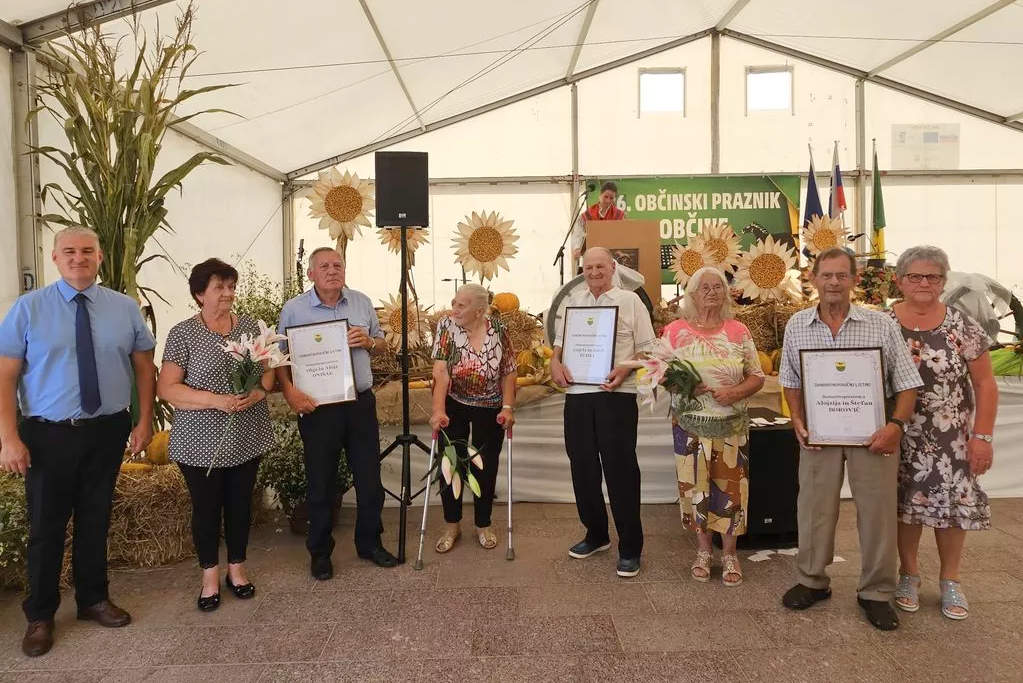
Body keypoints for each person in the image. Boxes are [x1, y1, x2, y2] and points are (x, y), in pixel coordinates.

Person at [0, 225, 156, 657]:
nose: (78, 258)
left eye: (87, 251)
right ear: (54, 258)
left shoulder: (124, 308)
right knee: (46, 527)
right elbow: (5, 375)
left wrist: (143, 422)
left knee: (95, 519)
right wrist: (8, 437)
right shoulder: (28, 309)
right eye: (68, 251)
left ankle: (92, 599)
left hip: (107, 431)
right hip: (47, 435)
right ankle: (40, 615)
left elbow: (144, 368)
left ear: (100, 257)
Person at [779, 247, 922, 631]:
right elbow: (790, 380)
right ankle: (812, 581)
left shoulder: (881, 325)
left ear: (855, 281)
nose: (834, 283)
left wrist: (895, 426)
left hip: (873, 434)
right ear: (813, 279)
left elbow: (908, 383)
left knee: (876, 513)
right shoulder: (797, 325)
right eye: (827, 276)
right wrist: (798, 418)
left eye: (842, 276)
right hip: (819, 436)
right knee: (813, 509)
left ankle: (876, 592)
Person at [886, 246, 997, 620]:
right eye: (915, 276)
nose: (923, 283)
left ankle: (951, 580)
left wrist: (982, 436)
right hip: (898, 434)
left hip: (952, 438)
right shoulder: (883, 323)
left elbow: (985, 384)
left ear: (943, 282)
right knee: (905, 508)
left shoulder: (962, 325)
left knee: (952, 509)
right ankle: (908, 575)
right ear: (899, 280)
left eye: (932, 277)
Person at [156, 258, 274, 612]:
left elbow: (267, 375)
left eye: (231, 286)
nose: (227, 293)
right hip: (199, 441)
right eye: (219, 287)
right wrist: (215, 401)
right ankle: (209, 576)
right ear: (199, 294)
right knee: (206, 509)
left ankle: (236, 569)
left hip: (246, 435)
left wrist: (257, 393)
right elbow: (167, 388)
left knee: (240, 505)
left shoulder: (250, 327)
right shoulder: (183, 333)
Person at [276, 247, 397, 579]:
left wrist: (371, 343)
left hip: (359, 402)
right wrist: (289, 392)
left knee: (369, 479)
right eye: (324, 266)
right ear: (311, 274)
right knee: (320, 482)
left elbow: (383, 342)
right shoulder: (294, 310)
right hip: (318, 408)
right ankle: (319, 552)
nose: (332, 270)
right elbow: (277, 357)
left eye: (338, 265)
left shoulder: (361, 302)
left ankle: (370, 543)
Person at [550, 247, 656, 578]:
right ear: (582, 270)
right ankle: (595, 534)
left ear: (613, 267)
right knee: (582, 466)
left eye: (600, 266)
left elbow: (647, 348)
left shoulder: (630, 301)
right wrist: (555, 362)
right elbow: (560, 344)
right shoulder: (573, 301)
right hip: (578, 394)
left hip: (616, 394)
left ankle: (629, 547)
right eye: (588, 267)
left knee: (620, 469)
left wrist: (624, 370)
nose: (594, 272)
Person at [660, 267, 764, 586]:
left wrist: (734, 392)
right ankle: (704, 550)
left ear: (726, 293)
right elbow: (659, 374)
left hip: (730, 423)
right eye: (704, 287)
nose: (711, 292)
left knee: (731, 489)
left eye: (717, 286)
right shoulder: (675, 330)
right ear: (691, 295)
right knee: (697, 488)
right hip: (690, 424)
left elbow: (757, 376)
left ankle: (730, 552)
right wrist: (686, 385)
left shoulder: (738, 330)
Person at [429, 284, 517, 552]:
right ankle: (452, 524)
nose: (454, 309)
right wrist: (438, 410)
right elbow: (441, 371)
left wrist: (508, 407)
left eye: (461, 306)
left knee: (485, 466)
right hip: (454, 401)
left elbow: (509, 371)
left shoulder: (498, 330)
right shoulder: (447, 326)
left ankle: (483, 523)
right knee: (450, 463)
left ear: (480, 311)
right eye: (454, 303)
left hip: (490, 405)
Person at [571, 181, 627, 262]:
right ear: (600, 195)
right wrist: (577, 248)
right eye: (606, 197)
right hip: (592, 257)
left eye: (611, 198)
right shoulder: (587, 215)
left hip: (612, 258)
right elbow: (578, 233)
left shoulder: (619, 215)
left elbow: (624, 236)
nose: (608, 201)